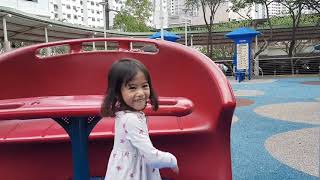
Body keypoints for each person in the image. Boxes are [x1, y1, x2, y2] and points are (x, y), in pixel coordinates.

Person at [101, 58, 179, 180]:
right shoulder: (131, 119)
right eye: (132, 87)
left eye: (144, 86)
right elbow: (151, 157)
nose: (141, 93)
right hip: (132, 174)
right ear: (117, 93)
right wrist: (172, 160)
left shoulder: (123, 114)